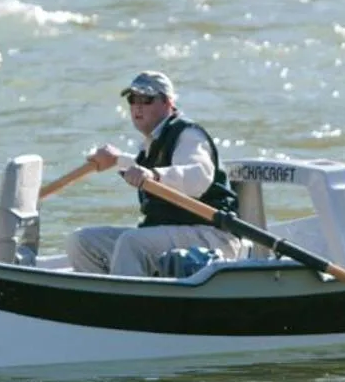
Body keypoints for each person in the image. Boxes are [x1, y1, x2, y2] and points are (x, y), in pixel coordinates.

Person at [66, 71, 242, 275]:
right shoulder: (150, 144)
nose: (137, 107)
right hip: (174, 232)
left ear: (168, 103)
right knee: (81, 241)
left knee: (131, 243)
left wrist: (154, 176)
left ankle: (131, 302)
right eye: (133, 100)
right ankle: (99, 301)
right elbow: (143, 169)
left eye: (147, 99)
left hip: (211, 235)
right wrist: (116, 160)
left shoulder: (188, 134)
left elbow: (197, 178)